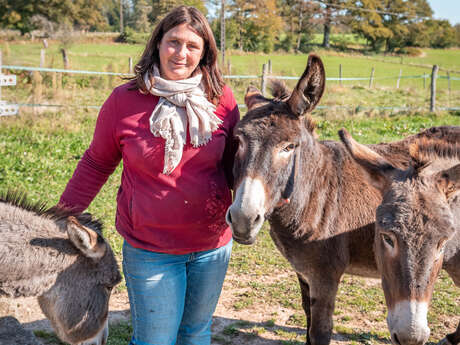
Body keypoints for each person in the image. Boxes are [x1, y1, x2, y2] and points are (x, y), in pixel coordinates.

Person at [58, 6, 240, 345]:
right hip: (151, 247)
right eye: (173, 42)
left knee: (195, 333)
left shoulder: (222, 100)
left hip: (212, 245)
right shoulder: (124, 101)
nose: (181, 53)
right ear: (157, 43)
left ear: (205, 54)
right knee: (155, 339)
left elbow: (234, 166)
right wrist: (62, 215)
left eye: (192, 46)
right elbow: (97, 163)